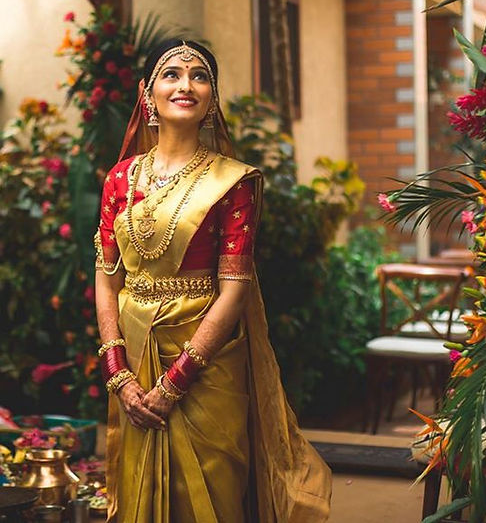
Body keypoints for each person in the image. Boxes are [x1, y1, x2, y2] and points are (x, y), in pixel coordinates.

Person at [94, 39, 334, 522]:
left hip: (207, 363)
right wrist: (118, 374)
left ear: (213, 96)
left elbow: (234, 291)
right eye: (171, 74)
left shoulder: (232, 182)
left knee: (214, 495)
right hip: (134, 358)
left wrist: (175, 383)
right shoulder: (119, 180)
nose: (185, 85)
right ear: (146, 93)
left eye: (199, 75)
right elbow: (106, 279)